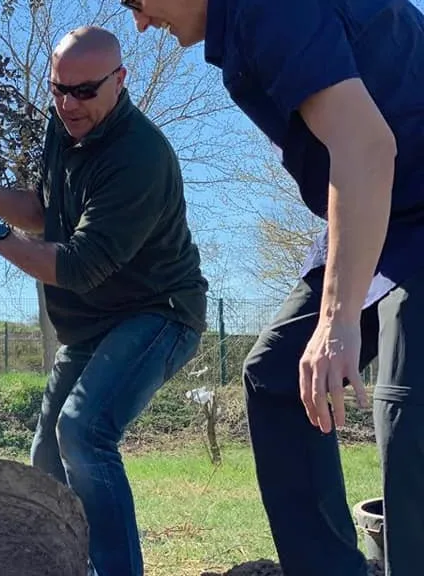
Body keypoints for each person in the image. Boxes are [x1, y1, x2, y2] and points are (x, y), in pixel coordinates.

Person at [125, 2, 424, 574]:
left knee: (408, 417)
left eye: (134, 1)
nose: (139, 21)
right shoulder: (242, 25)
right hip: (392, 215)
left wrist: (336, 323)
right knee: (279, 373)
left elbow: (364, 148)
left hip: (405, 205)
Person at [0, 26, 207, 575]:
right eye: (58, 89)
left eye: (84, 91)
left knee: (83, 431)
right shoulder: (63, 129)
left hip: (159, 313)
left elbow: (76, 265)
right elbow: (47, 210)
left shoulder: (140, 157)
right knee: (47, 459)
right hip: (92, 325)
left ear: (120, 80)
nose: (68, 104)